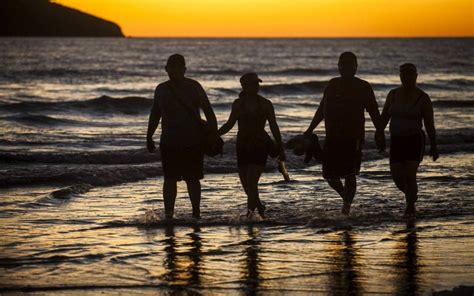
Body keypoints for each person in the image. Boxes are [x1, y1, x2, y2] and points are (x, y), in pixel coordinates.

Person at [304, 52, 384, 215]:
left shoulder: (363, 87)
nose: (346, 67)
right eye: (343, 64)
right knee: (329, 176)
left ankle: (346, 209)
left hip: (353, 138)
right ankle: (346, 199)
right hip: (332, 137)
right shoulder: (332, 85)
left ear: (356, 66)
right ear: (338, 66)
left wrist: (380, 132)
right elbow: (322, 110)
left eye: (350, 64)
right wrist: (310, 129)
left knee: (349, 174)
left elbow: (374, 112)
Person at [146, 54, 218, 220]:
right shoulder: (161, 89)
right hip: (169, 141)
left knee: (192, 179)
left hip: (193, 141)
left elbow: (208, 111)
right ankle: (169, 215)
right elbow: (155, 114)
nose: (174, 72)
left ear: (184, 70)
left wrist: (213, 135)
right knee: (170, 179)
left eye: (178, 68)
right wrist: (149, 136)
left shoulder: (194, 87)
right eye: (171, 68)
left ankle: (196, 214)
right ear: (166, 69)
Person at [218, 73, 286, 218]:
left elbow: (274, 126)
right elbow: (229, 124)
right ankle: (260, 208)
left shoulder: (266, 104)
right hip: (242, 146)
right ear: (244, 86)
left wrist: (280, 148)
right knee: (247, 186)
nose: (256, 87)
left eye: (257, 84)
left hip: (260, 146)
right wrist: (214, 135)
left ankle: (250, 216)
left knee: (252, 181)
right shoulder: (238, 104)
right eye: (253, 84)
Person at [380, 63, 438, 216]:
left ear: (415, 76)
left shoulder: (423, 98)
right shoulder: (392, 95)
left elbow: (429, 124)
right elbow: (384, 117)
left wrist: (434, 145)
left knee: (410, 175)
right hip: (397, 140)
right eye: (404, 75)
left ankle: (410, 206)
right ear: (400, 76)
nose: (406, 77)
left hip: (414, 140)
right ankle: (411, 196)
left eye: (410, 74)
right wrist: (379, 133)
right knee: (397, 177)